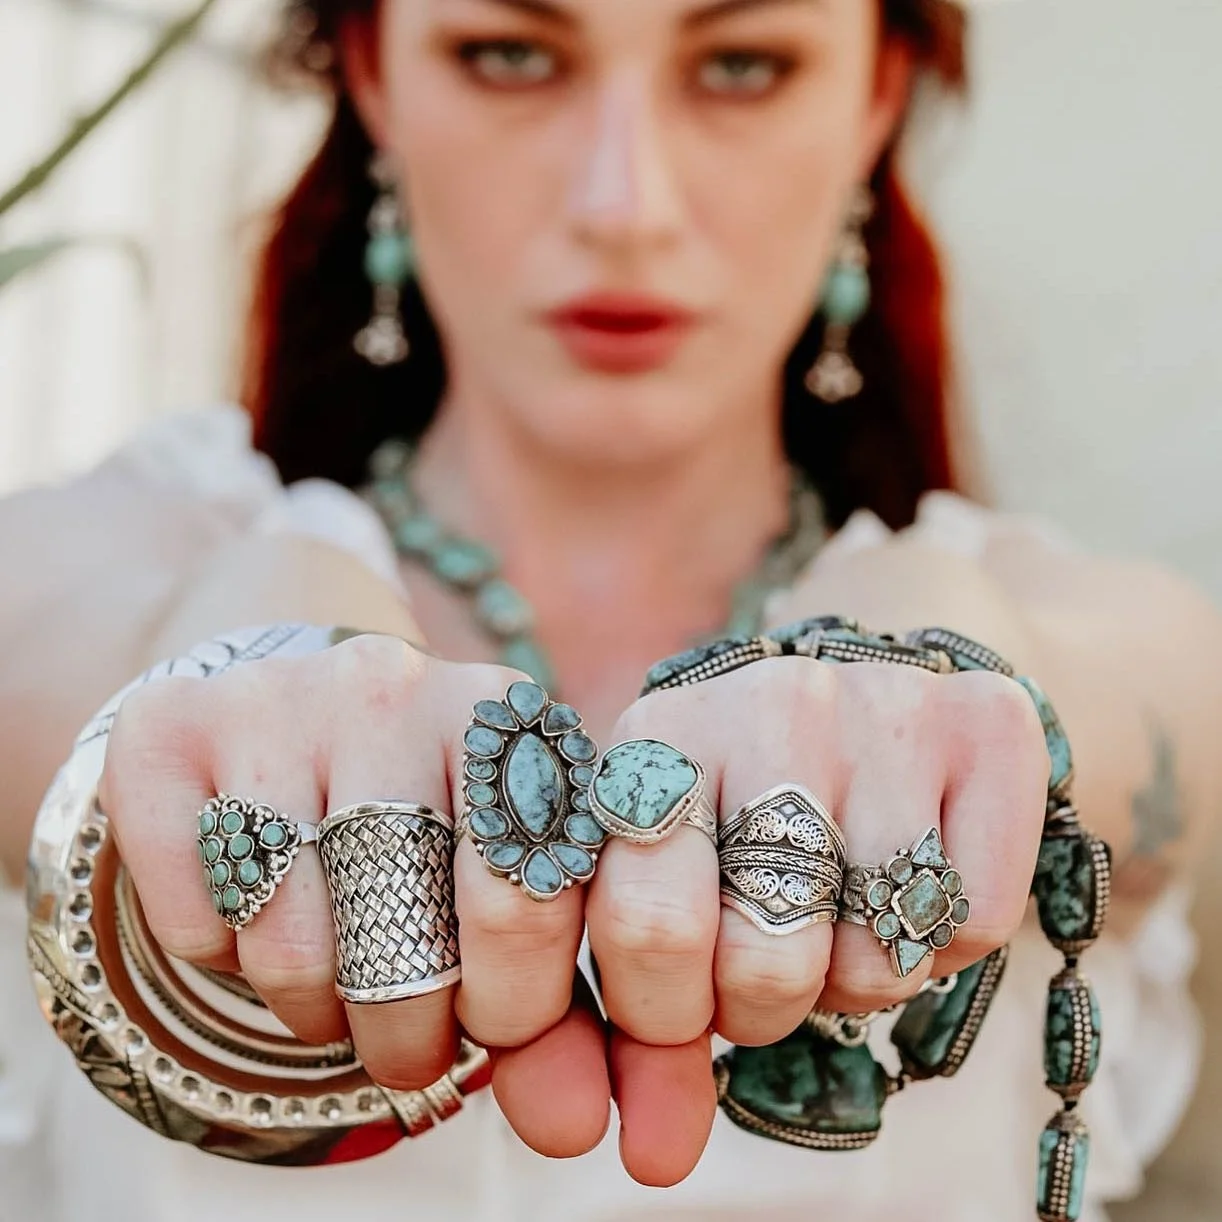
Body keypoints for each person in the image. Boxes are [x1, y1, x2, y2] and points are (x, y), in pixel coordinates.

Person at [0, 1, 1218, 1220]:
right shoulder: (95, 563)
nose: (624, 203)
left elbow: (1135, 711)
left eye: (741, 64)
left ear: (875, 99)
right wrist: (256, 626)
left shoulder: (1082, 626)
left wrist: (933, 648)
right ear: (372, 74)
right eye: (509, 55)